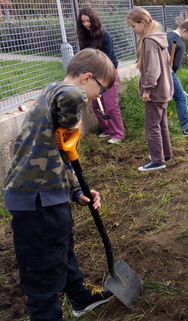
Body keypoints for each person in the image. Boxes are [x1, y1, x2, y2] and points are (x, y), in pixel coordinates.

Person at [2, 48, 116, 320]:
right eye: (100, 88)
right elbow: (73, 93)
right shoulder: (68, 94)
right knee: (42, 276)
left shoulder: (50, 93)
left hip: (49, 195)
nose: (99, 96)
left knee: (61, 248)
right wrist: (74, 117)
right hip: (36, 201)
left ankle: (80, 297)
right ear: (87, 77)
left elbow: (58, 156)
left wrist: (77, 191)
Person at [127, 8, 174, 172]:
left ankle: (157, 160)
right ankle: (165, 154)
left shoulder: (149, 41)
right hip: (164, 90)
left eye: (133, 26)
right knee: (162, 124)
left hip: (155, 92)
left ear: (142, 22)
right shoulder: (160, 38)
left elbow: (153, 70)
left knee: (152, 126)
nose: (133, 30)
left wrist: (147, 90)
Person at [76, 7, 125, 144]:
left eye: (88, 21)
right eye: (83, 22)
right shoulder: (84, 37)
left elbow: (108, 58)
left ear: (94, 20)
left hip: (107, 73)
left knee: (110, 104)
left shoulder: (104, 35)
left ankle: (118, 134)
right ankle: (107, 130)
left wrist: (100, 76)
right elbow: (84, 57)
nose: (86, 24)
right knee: (97, 104)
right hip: (93, 75)